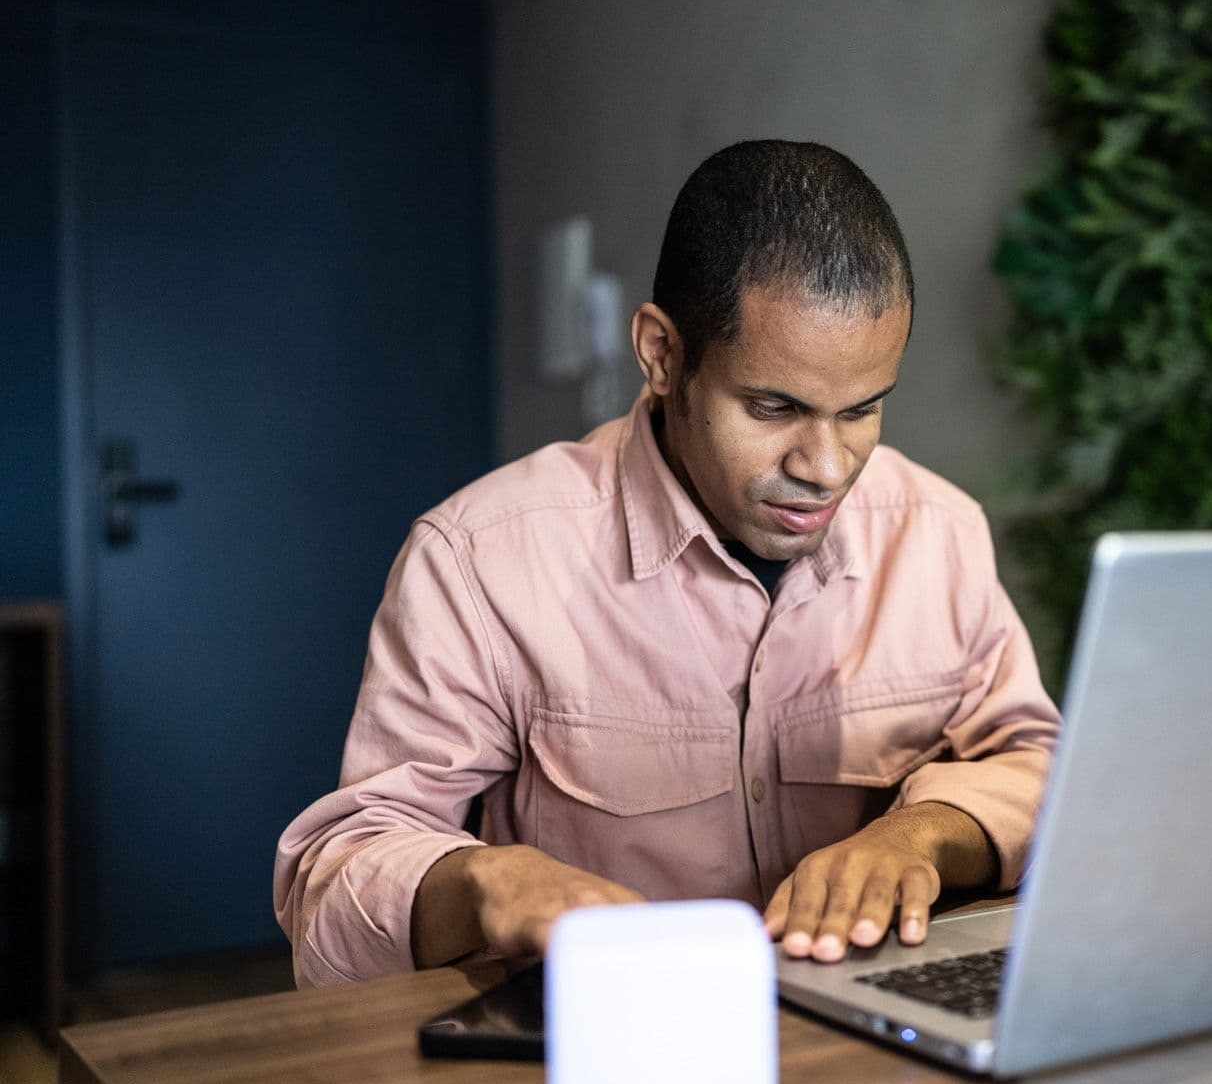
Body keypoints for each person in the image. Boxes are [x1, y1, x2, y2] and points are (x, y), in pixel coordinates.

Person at [274, 140, 1061, 986]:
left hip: (876, 1055)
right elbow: (333, 887)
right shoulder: (478, 562)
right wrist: (483, 882)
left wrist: (921, 835)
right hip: (606, 1062)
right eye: (774, 407)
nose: (827, 467)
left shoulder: (938, 533)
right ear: (661, 355)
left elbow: (1046, 771)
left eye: (864, 410)